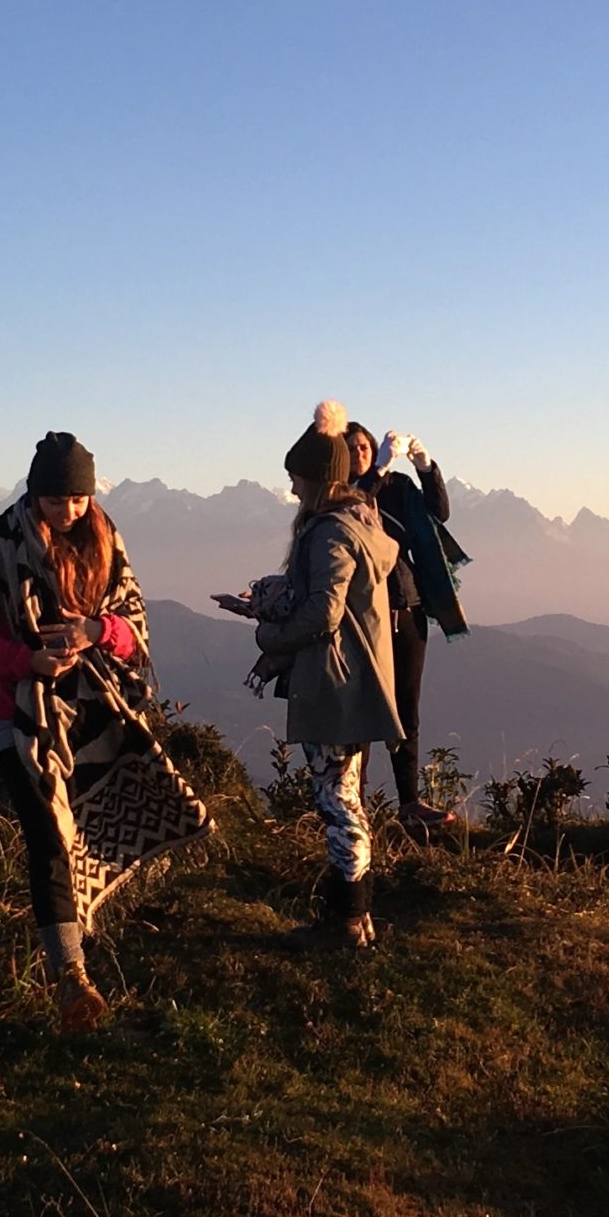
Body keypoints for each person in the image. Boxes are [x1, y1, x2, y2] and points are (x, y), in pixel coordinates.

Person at [0, 431, 213, 1030]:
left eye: (77, 499)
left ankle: (86, 930)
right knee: (47, 828)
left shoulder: (105, 537)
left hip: (96, 704)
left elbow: (133, 618)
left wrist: (96, 631)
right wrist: (28, 662)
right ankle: (71, 974)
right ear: (33, 493)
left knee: (82, 831)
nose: (67, 511)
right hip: (20, 711)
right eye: (55, 500)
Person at [252, 401, 403, 948]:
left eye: (296, 480)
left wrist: (270, 638)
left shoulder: (327, 532)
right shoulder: (362, 522)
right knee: (345, 797)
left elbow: (324, 611)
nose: (292, 490)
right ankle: (352, 918)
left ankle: (346, 922)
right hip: (359, 682)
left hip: (335, 683)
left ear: (317, 481)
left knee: (338, 803)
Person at [345, 420, 468, 828]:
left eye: (365, 447)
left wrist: (426, 468)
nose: (361, 454)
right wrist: (378, 470)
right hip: (364, 615)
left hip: (408, 607)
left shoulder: (398, 488)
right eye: (354, 449)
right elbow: (355, 512)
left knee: (405, 709)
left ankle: (409, 803)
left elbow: (438, 514)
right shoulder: (339, 495)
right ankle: (353, 804)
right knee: (361, 710)